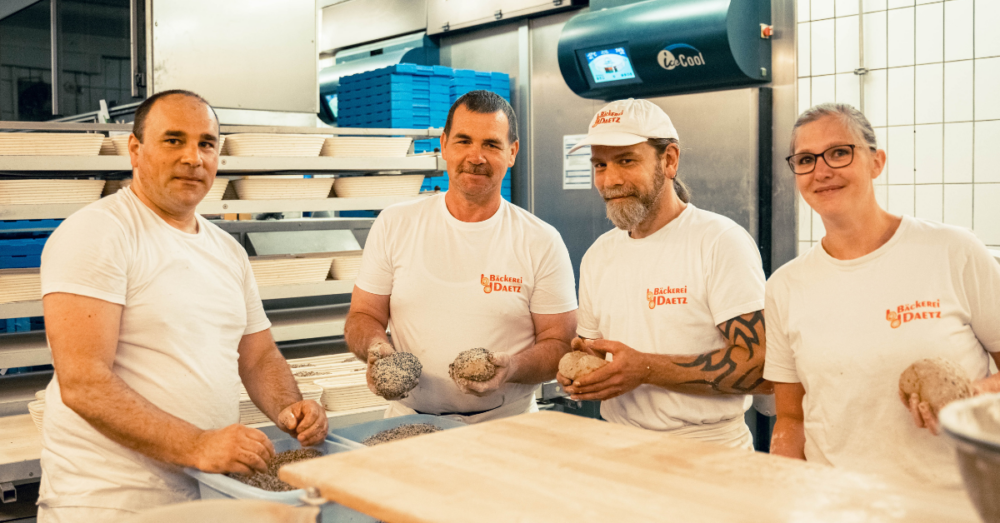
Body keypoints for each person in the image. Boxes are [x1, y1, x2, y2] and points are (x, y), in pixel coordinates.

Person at [37, 90, 328, 522]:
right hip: (111, 502)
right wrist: (197, 443)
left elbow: (258, 356)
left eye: (207, 143)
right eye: (174, 140)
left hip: (208, 494)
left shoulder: (227, 251)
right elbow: (84, 381)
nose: (194, 157)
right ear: (135, 149)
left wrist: (290, 407)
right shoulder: (98, 233)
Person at [765, 103, 1000, 488]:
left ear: (876, 162)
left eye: (839, 152)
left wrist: (971, 393)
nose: (822, 171)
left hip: (951, 499)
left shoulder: (952, 251)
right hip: (835, 504)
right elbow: (791, 418)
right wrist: (780, 495)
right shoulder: (785, 286)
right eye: (805, 160)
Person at [343, 90, 578, 423]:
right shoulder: (395, 223)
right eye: (463, 141)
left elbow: (560, 342)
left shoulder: (540, 240)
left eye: (491, 145)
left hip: (507, 423)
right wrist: (375, 349)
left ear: (512, 152)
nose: (476, 156)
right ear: (443, 145)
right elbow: (363, 315)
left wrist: (511, 367)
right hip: (409, 421)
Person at [557, 98, 771, 450]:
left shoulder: (718, 241)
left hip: (707, 453)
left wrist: (645, 369)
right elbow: (595, 351)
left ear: (669, 159)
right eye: (600, 164)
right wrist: (583, 370)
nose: (610, 180)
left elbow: (762, 367)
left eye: (626, 161)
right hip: (617, 445)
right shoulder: (599, 255)